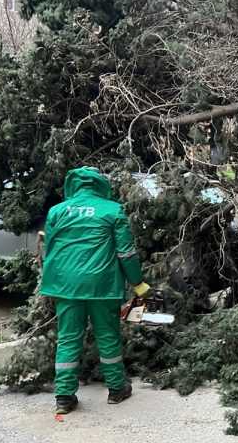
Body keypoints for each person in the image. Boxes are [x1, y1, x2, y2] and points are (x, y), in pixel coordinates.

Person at [41, 167, 151, 414]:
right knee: (107, 335)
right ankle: (116, 389)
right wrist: (137, 283)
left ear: (73, 184)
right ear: (100, 185)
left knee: (68, 338)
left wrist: (52, 283)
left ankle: (64, 397)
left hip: (66, 286)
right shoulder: (112, 210)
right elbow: (125, 252)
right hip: (102, 285)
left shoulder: (57, 211)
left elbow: (50, 250)